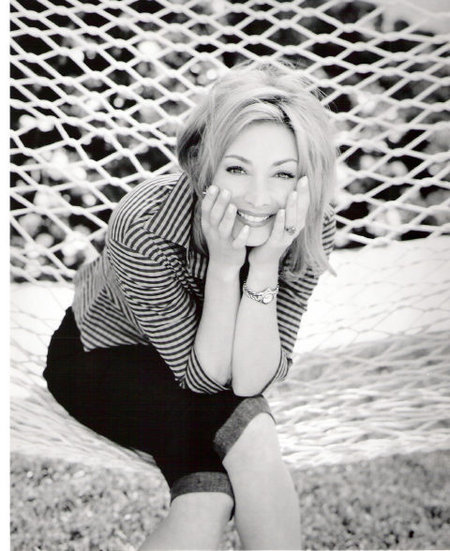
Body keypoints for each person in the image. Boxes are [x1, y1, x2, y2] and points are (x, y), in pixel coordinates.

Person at [44, 59, 337, 550]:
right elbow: (204, 378)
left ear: (306, 177)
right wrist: (225, 266)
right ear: (202, 161)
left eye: (284, 174)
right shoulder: (146, 221)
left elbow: (251, 380)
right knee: (237, 449)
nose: (259, 197)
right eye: (237, 168)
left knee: (215, 483)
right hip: (104, 357)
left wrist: (265, 265)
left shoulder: (307, 224)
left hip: (210, 372)